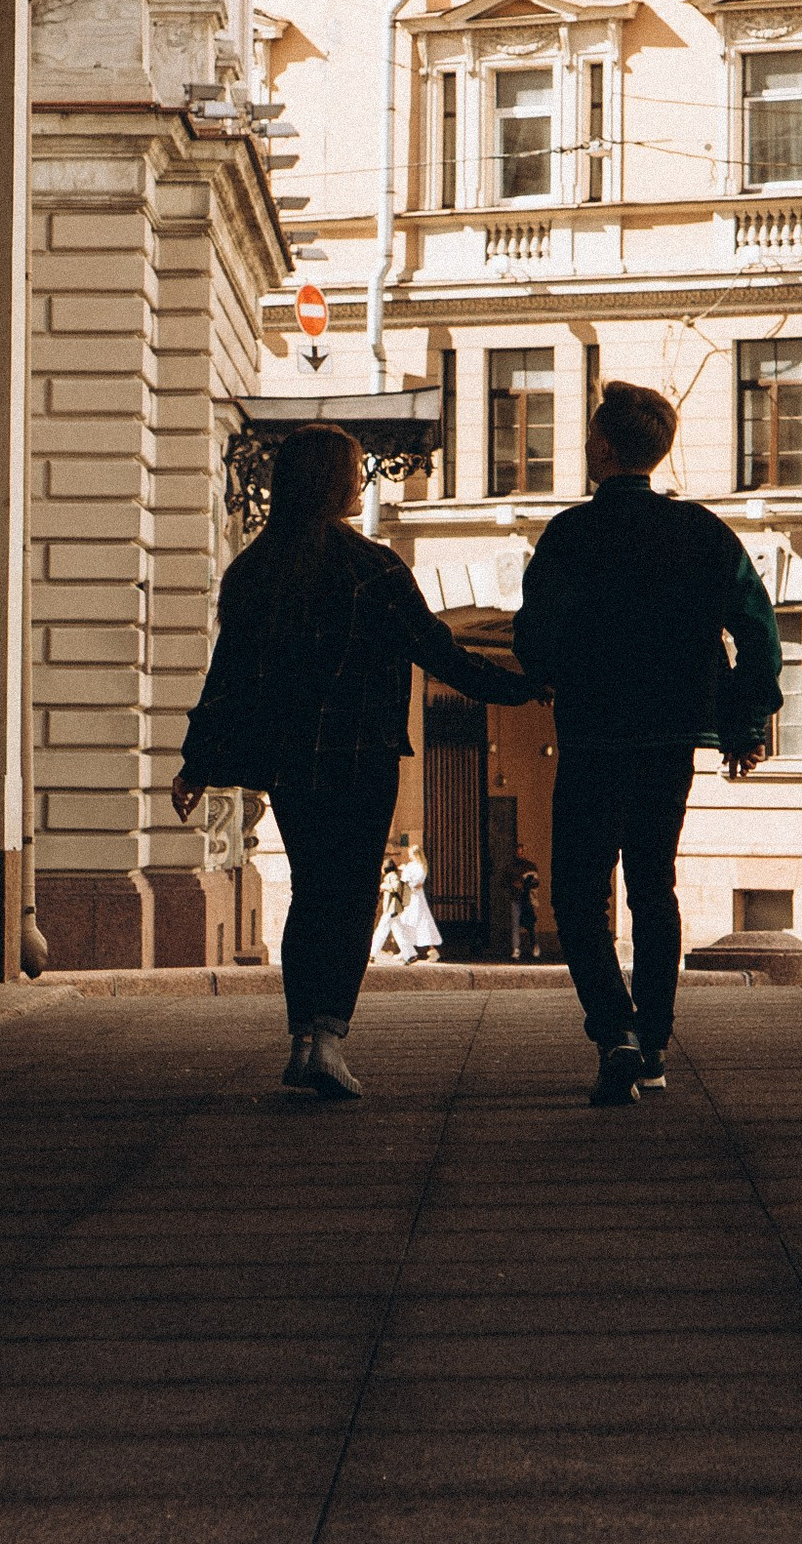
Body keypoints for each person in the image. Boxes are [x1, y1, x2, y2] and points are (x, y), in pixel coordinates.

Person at [172, 426, 539, 1098]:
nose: (362, 483)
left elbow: (227, 676)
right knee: (350, 897)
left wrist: (197, 761)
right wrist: (525, 685)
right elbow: (443, 654)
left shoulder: (254, 569)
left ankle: (300, 1037)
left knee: (312, 892)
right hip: (362, 756)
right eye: (354, 472)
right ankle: (327, 1039)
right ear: (337, 483)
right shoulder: (373, 568)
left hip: (290, 763)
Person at [513, 379, 780, 1106]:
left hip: (595, 735)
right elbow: (758, 629)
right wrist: (745, 722)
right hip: (671, 738)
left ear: (600, 448)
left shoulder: (571, 534)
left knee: (577, 894)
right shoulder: (703, 532)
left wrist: (549, 671)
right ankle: (654, 1043)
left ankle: (615, 1031)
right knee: (651, 886)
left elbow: (536, 636)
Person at [392, 836, 444, 961]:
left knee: (422, 922)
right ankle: (406, 950)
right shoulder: (411, 865)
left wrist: (407, 880)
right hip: (409, 898)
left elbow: (417, 883)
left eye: (411, 854)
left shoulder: (421, 866)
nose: (409, 856)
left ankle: (432, 951)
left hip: (416, 899)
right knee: (405, 922)